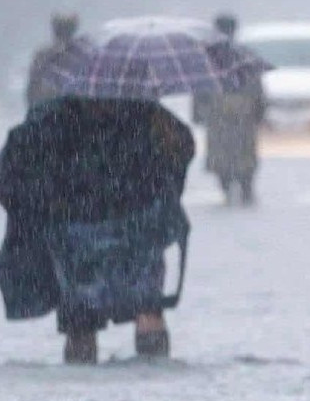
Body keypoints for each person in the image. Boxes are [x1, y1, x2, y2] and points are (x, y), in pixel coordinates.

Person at [0, 95, 195, 363]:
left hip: (76, 235)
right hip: (135, 230)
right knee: (147, 310)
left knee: (81, 323)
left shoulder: (51, 119)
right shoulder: (146, 114)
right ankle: (155, 376)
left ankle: (86, 377)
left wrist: (49, 205)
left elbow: (11, 172)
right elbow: (181, 150)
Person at [191, 14, 267, 206]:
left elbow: (200, 89)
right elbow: (257, 87)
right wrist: (259, 110)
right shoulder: (245, 55)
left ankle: (228, 186)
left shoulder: (208, 58)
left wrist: (199, 113)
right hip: (243, 114)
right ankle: (245, 186)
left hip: (219, 115)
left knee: (222, 155)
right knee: (244, 155)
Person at [24, 13, 80, 109]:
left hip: (47, 112)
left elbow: (31, 91)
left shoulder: (41, 55)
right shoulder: (81, 56)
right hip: (64, 112)